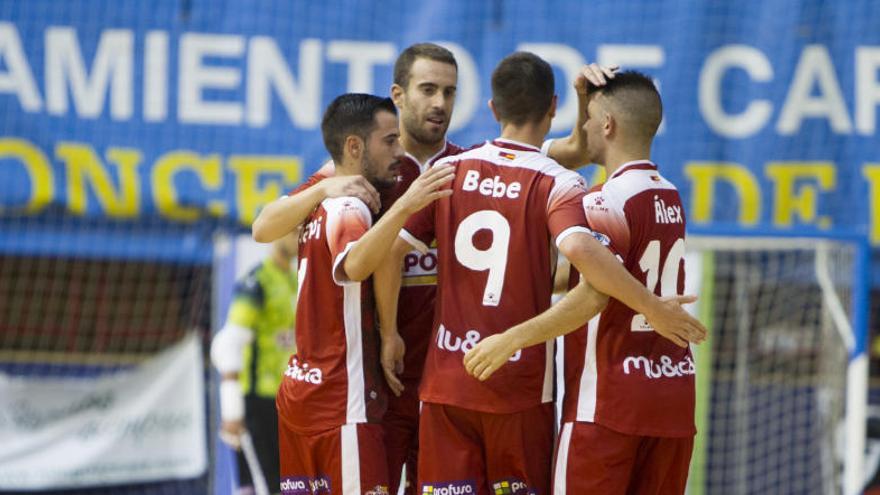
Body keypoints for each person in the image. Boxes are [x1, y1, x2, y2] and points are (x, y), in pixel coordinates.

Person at [251, 42, 616, 495]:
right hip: (381, 379)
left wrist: (584, 97)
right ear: (399, 95)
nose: (440, 103)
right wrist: (322, 189)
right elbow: (264, 226)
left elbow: (571, 151)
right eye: (428, 89)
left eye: (449, 92)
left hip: (449, 375)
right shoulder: (369, 165)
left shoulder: (470, 163)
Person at [378, 53, 705, 495]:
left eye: (588, 119)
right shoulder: (635, 192)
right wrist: (654, 309)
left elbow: (390, 253)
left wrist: (387, 334)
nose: (583, 127)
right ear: (552, 108)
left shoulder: (452, 170)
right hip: (559, 387)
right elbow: (581, 251)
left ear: (492, 109)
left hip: (465, 377)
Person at [463, 71, 698, 494]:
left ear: (607, 125)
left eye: (588, 117)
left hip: (608, 404)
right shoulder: (671, 195)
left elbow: (593, 295)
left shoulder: (603, 200)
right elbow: (609, 274)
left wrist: (511, 339)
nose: (583, 127)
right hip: (672, 399)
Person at [274, 93, 453, 495]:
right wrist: (406, 206)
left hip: (302, 391)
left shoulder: (319, 203)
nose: (399, 150)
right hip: (342, 397)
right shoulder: (349, 207)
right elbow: (355, 266)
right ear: (354, 147)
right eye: (389, 141)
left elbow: (263, 226)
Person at [210, 231, 299, 494]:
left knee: (288, 485)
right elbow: (229, 344)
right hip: (257, 401)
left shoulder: (295, 280)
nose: (299, 237)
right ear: (277, 234)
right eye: (294, 231)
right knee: (265, 486)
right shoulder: (256, 282)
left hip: (287, 401)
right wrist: (232, 412)